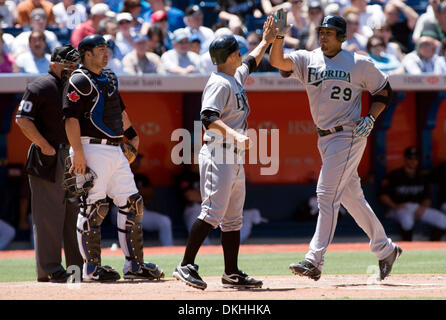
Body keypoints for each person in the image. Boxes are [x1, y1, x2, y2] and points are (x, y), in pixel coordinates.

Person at [269, 11, 402, 282]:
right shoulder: (308, 58)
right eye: (321, 32)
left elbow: (384, 91)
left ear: (342, 37)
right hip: (324, 137)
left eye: (329, 33)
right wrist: (278, 37)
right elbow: (277, 61)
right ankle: (385, 249)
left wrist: (371, 117)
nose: (323, 36)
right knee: (352, 198)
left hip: (349, 133)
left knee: (326, 195)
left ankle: (314, 259)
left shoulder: (358, 63)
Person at [172, 16, 277, 290]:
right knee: (212, 213)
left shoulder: (234, 75)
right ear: (230, 56)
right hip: (219, 153)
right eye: (238, 52)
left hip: (233, 157)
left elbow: (251, 61)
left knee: (233, 219)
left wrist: (265, 41)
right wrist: (235, 135)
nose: (242, 55)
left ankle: (231, 273)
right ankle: (185, 265)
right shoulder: (219, 82)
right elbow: (207, 118)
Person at [62, 34, 164, 282]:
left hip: (114, 148)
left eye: (107, 49)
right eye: (100, 49)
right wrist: (79, 153)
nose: (106, 53)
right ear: (87, 53)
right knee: (94, 208)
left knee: (133, 203)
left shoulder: (109, 77)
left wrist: (132, 136)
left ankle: (134, 265)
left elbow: (119, 110)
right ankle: (91, 268)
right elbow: (70, 119)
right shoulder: (78, 79)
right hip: (90, 147)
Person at [15, 45, 83, 282]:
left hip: (72, 155)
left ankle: (77, 268)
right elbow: (22, 119)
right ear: (54, 63)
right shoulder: (41, 85)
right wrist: (44, 145)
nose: (72, 69)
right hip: (48, 156)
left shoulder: (73, 86)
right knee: (48, 216)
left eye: (75, 65)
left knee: (74, 214)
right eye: (69, 65)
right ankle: (50, 269)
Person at [379, 147, 446, 241]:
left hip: (417, 207)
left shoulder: (421, 177)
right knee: (407, 220)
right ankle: (409, 246)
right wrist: (395, 206)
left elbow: (427, 198)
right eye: (410, 158)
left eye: (415, 158)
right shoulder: (395, 175)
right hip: (398, 208)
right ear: (405, 159)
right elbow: (383, 195)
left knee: (442, 219)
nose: (413, 161)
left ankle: (432, 246)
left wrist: (422, 208)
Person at [110, 154, 174, 246]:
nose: (137, 163)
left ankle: (169, 251)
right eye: (134, 160)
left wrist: (132, 191)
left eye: (138, 160)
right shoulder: (116, 175)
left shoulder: (141, 177)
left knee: (165, 221)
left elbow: (150, 193)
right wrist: (137, 192)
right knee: (128, 220)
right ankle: (127, 251)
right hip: (119, 210)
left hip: (138, 210)